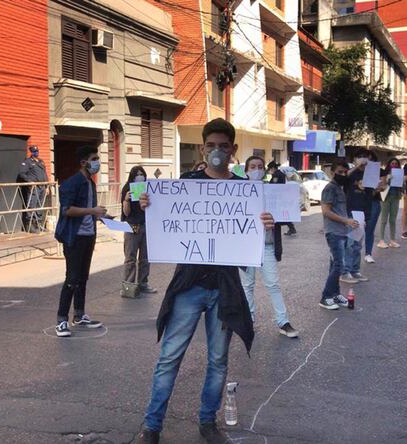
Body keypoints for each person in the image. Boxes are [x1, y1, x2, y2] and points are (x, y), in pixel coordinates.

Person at [136, 118, 275, 444]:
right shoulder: (186, 184)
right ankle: (151, 426)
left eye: (223, 146)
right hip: (189, 285)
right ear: (202, 148)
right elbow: (163, 219)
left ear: (233, 151)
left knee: (218, 360)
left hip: (224, 289)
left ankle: (208, 422)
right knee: (170, 356)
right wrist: (149, 206)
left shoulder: (246, 192)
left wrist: (263, 225)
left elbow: (248, 246)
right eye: (210, 146)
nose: (216, 151)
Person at [240, 156, 298, 338]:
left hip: (267, 245)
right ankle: (248, 320)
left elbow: (284, 214)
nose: (256, 169)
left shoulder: (273, 191)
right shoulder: (238, 191)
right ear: (246, 170)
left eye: (259, 166)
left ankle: (283, 321)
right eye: (252, 166)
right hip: (246, 247)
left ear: (264, 170)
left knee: (273, 284)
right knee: (246, 285)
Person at [53, 145, 107, 337]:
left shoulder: (90, 183)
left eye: (98, 159)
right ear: (84, 163)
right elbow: (66, 210)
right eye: (94, 159)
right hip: (73, 237)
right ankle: (61, 320)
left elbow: (88, 211)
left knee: (83, 277)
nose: (97, 163)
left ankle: (79, 314)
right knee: (72, 278)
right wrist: (92, 211)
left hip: (88, 235)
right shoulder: (71, 183)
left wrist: (100, 216)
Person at [319, 159, 360, 310]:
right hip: (334, 231)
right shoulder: (330, 188)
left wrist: (352, 222)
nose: (343, 174)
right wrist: (346, 221)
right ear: (332, 172)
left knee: (334, 265)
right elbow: (326, 211)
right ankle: (325, 297)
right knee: (339, 265)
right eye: (339, 172)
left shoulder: (339, 187)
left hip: (341, 231)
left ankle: (335, 294)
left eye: (344, 172)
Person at [120, 166, 157, 295]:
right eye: (137, 174)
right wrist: (126, 200)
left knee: (145, 258)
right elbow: (126, 213)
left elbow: (151, 209)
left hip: (145, 225)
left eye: (142, 174)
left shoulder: (148, 189)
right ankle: (128, 286)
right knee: (130, 258)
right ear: (132, 176)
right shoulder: (127, 188)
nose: (140, 176)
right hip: (131, 226)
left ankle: (143, 283)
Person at [341, 149, 372, 284]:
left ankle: (355, 270)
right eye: (360, 157)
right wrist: (357, 167)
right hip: (350, 211)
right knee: (350, 243)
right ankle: (345, 271)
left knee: (358, 244)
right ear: (354, 159)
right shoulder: (351, 172)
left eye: (366, 157)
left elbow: (370, 194)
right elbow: (343, 178)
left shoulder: (370, 174)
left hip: (362, 212)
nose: (363, 159)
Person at [16, 145, 48, 233]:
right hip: (34, 188)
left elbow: (44, 174)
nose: (36, 153)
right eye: (34, 152)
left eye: (37, 151)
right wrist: (30, 181)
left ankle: (39, 224)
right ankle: (30, 226)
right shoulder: (27, 162)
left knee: (40, 206)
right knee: (31, 205)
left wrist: (47, 186)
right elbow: (21, 174)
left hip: (42, 187)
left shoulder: (41, 162)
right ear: (31, 152)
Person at [376, 157, 403, 249]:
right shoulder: (384, 173)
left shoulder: (400, 173)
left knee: (393, 220)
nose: (394, 165)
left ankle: (392, 240)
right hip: (385, 197)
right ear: (389, 165)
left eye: (396, 164)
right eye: (392, 163)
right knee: (384, 219)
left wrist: (402, 182)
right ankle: (381, 240)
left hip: (395, 197)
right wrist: (387, 179)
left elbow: (402, 186)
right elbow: (381, 185)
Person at [363, 151, 385, 264]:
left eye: (371, 160)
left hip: (374, 202)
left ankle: (368, 253)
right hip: (358, 202)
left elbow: (383, 186)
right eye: (366, 159)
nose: (368, 162)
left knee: (370, 229)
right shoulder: (358, 172)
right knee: (355, 229)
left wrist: (379, 187)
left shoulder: (379, 171)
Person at [267, 162, 297, 235]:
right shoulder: (281, 173)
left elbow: (274, 185)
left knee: (280, 214)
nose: (269, 171)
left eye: (270, 169)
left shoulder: (276, 175)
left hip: (277, 197)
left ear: (273, 168)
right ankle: (291, 228)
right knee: (282, 214)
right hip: (280, 196)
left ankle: (291, 228)